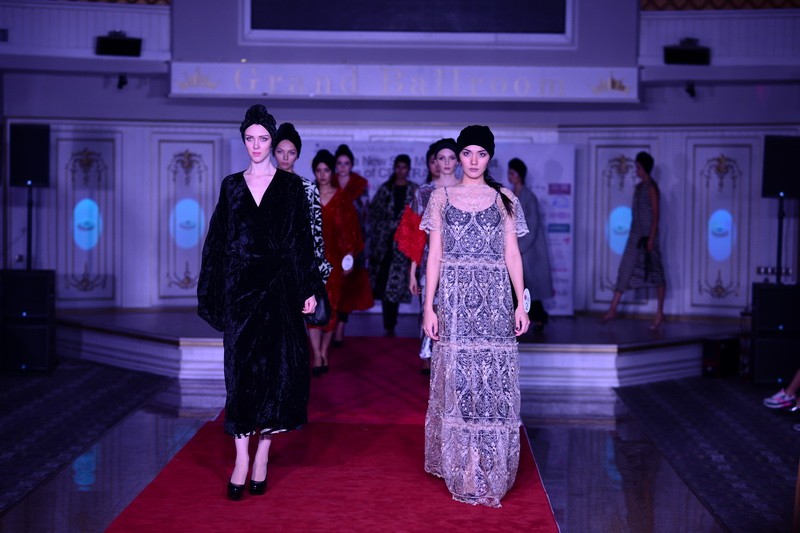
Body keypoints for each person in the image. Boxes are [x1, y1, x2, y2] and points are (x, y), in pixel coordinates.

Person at [197, 104, 322, 501]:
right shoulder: (231, 186)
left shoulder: (290, 187)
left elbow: (301, 240)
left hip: (280, 291)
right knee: (239, 373)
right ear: (243, 140)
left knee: (276, 373)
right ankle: (240, 459)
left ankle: (262, 455)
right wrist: (214, 289)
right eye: (249, 138)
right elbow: (217, 240)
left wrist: (308, 287)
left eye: (263, 138)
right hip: (241, 291)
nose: (256, 145)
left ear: (272, 141)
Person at [421, 125, 530, 507]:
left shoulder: (505, 199)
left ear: (490, 157)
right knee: (460, 382)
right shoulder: (441, 197)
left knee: (491, 385)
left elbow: (512, 254)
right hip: (453, 303)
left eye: (480, 153)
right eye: (466, 153)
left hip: (495, 302)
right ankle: (465, 466)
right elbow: (434, 255)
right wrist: (428, 306)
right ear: (458, 156)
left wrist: (521, 303)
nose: (472, 160)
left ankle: (489, 465)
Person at [396, 138, 460, 374]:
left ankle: (451, 360)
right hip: (428, 262)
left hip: (459, 264)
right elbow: (415, 235)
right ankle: (429, 357)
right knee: (428, 310)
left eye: (451, 158)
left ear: (458, 160)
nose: (446, 163)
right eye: (441, 158)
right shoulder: (423, 192)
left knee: (455, 313)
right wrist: (412, 273)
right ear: (434, 162)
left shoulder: (467, 190)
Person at [307, 149, 370, 376]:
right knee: (311, 308)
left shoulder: (342, 198)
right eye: (318, 170)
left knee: (331, 307)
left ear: (331, 171)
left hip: (334, 262)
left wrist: (348, 259)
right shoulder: (308, 196)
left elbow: (351, 232)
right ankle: (317, 355)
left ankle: (325, 351)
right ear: (314, 172)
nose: (323, 174)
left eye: (326, 170)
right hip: (311, 262)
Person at [601, 151, 666, 329]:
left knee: (657, 274)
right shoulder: (639, 188)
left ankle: (660, 313)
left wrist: (651, 238)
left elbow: (656, 215)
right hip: (635, 236)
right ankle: (613, 308)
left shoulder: (652, 188)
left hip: (648, 237)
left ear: (645, 168)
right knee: (625, 269)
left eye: (638, 167)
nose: (636, 170)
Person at [273, 122, 333, 284]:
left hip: (299, 262)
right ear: (273, 153)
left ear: (297, 155)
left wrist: (317, 267)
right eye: (280, 151)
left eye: (291, 152)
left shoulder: (309, 188)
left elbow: (316, 231)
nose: (285, 158)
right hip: (269, 263)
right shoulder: (262, 186)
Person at [368, 154, 419, 336]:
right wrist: (385, 228)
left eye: (404, 167)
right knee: (384, 285)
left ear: (408, 169)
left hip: (403, 245)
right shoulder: (386, 189)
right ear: (394, 168)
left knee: (396, 285)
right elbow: (374, 213)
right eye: (398, 167)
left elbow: (418, 218)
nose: (401, 171)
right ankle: (388, 324)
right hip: (384, 245)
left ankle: (392, 323)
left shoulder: (414, 190)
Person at [332, 144, 372, 346]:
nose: (342, 167)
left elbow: (366, 217)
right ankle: (331, 325)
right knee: (332, 285)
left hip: (352, 242)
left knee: (348, 286)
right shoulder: (326, 181)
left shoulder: (360, 185)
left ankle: (340, 326)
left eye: (346, 163)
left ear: (351, 165)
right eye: (339, 163)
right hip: (330, 241)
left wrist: (362, 246)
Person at [507, 157, 553, 332]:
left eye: (512, 173)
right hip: (516, 248)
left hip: (529, 251)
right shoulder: (511, 195)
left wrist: (517, 248)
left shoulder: (529, 197)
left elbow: (532, 227)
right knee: (519, 286)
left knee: (529, 288)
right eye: (509, 173)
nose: (510, 176)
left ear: (519, 175)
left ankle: (539, 318)